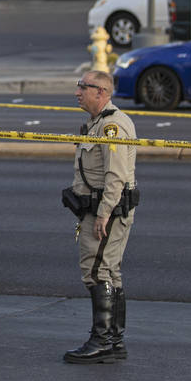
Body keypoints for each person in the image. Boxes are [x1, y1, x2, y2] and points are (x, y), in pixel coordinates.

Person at [64, 69, 138, 365]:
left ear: (102, 93)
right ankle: (113, 339)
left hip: (106, 212)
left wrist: (104, 214)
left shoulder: (112, 126)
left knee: (95, 272)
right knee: (109, 272)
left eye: (84, 87)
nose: (77, 92)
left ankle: (103, 340)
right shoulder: (97, 123)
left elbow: (116, 175)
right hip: (98, 209)